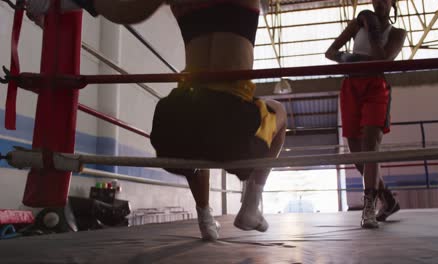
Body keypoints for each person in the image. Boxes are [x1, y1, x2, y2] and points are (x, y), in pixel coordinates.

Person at [63, 0, 287, 241]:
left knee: (196, 133)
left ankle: (204, 218)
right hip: (230, 126)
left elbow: (122, 10)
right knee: (279, 112)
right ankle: (251, 207)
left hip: (176, 120)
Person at [325, 0, 406, 228]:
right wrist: (355, 59)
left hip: (376, 87)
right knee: (357, 155)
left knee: (371, 146)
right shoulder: (356, 24)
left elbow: (384, 60)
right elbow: (330, 52)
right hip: (351, 86)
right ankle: (387, 199)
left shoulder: (398, 33)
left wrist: (373, 30)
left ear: (392, 3)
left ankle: (369, 207)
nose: (379, 3)